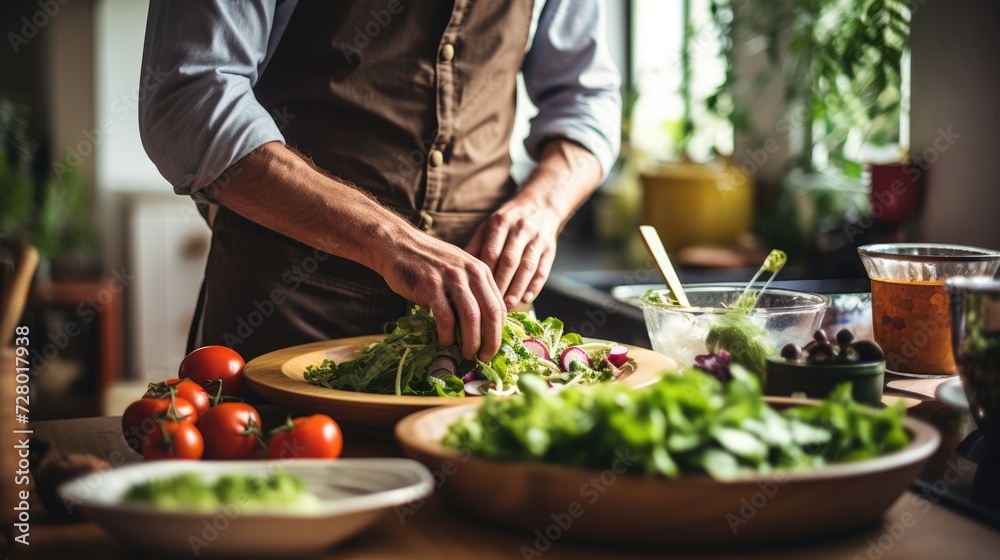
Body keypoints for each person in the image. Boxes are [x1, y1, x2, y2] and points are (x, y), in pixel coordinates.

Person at [139, 0, 621, 363]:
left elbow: (587, 97)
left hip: (486, 305)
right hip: (285, 301)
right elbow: (189, 97)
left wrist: (543, 205)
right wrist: (386, 238)